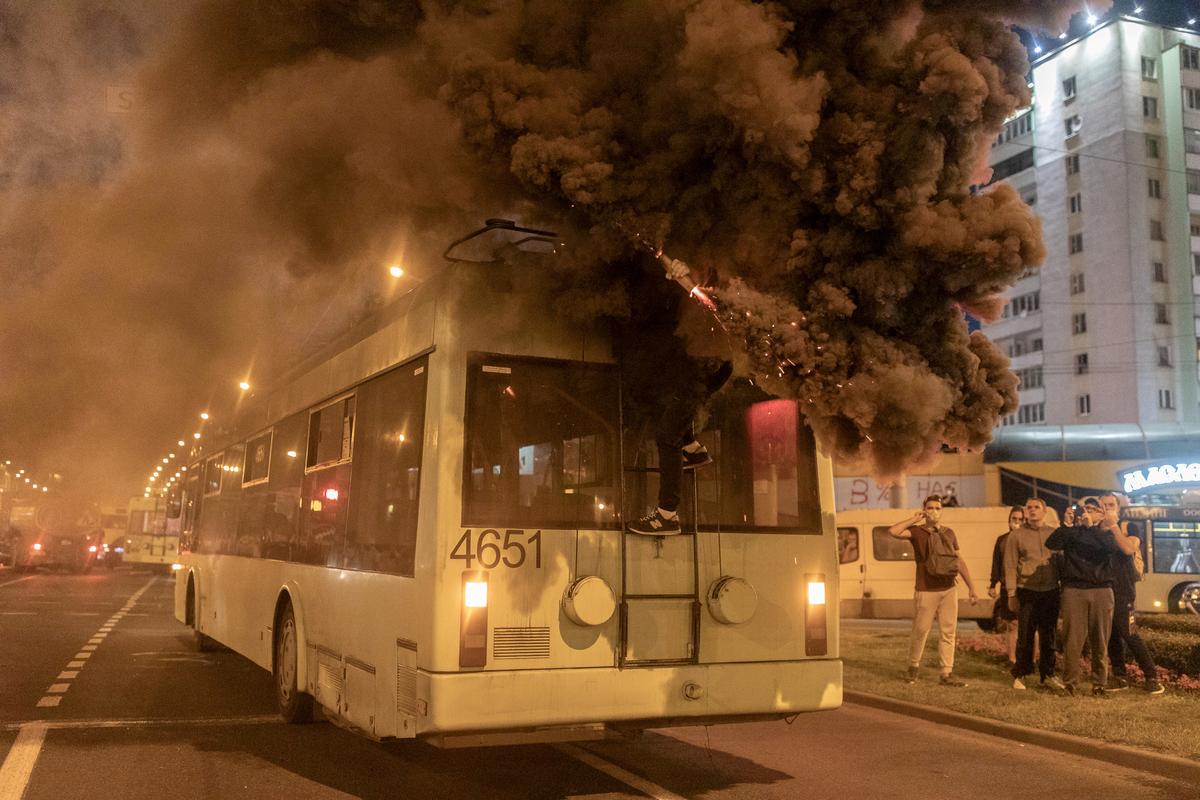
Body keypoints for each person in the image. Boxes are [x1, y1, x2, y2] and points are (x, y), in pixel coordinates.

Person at [1046, 497, 1137, 696]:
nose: (1087, 512)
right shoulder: (1072, 532)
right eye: (1084, 508)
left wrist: (1092, 528)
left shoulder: (1106, 533)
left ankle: (1099, 684)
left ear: (1101, 514)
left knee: (1100, 638)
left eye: (1092, 509)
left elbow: (1109, 548)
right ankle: (1070, 682)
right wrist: (1066, 524)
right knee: (1073, 639)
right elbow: (1051, 543)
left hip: (1102, 590)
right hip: (1074, 590)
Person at [888, 495, 979, 687]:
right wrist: (914, 518)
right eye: (930, 508)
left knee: (948, 631)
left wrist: (971, 587)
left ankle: (946, 673)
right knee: (920, 630)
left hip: (948, 588)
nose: (934, 511)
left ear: (942, 510)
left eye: (938, 508)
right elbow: (893, 531)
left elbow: (959, 561)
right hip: (926, 589)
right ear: (924, 509)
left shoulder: (949, 533)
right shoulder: (917, 531)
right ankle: (913, 668)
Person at [1100, 494, 1165, 695]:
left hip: (1123, 590)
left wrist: (1113, 527)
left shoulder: (1130, 527)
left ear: (1118, 508)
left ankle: (1152, 676)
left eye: (1111, 505)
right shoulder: (1096, 530)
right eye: (1103, 505)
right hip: (1102, 588)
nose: (1107, 508)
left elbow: (1128, 549)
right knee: (1110, 636)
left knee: (1130, 633)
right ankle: (1119, 677)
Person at [1004, 497, 1065, 691]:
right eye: (1028, 507)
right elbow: (1010, 565)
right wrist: (1011, 594)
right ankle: (1021, 673)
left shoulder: (1054, 534)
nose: (1032, 510)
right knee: (1025, 635)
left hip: (1050, 591)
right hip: (1027, 591)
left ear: (1044, 511)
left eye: (1036, 507)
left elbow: (1061, 562)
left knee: (1049, 636)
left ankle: (1048, 674)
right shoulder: (1017, 536)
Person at [989, 506, 1023, 667]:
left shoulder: (1027, 539)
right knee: (1012, 624)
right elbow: (996, 563)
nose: (1016, 522)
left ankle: (1032, 659)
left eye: (1020, 519)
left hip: (1026, 586)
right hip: (1007, 586)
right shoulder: (1002, 540)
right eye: (1014, 519)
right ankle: (1012, 659)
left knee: (1030, 625)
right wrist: (992, 583)